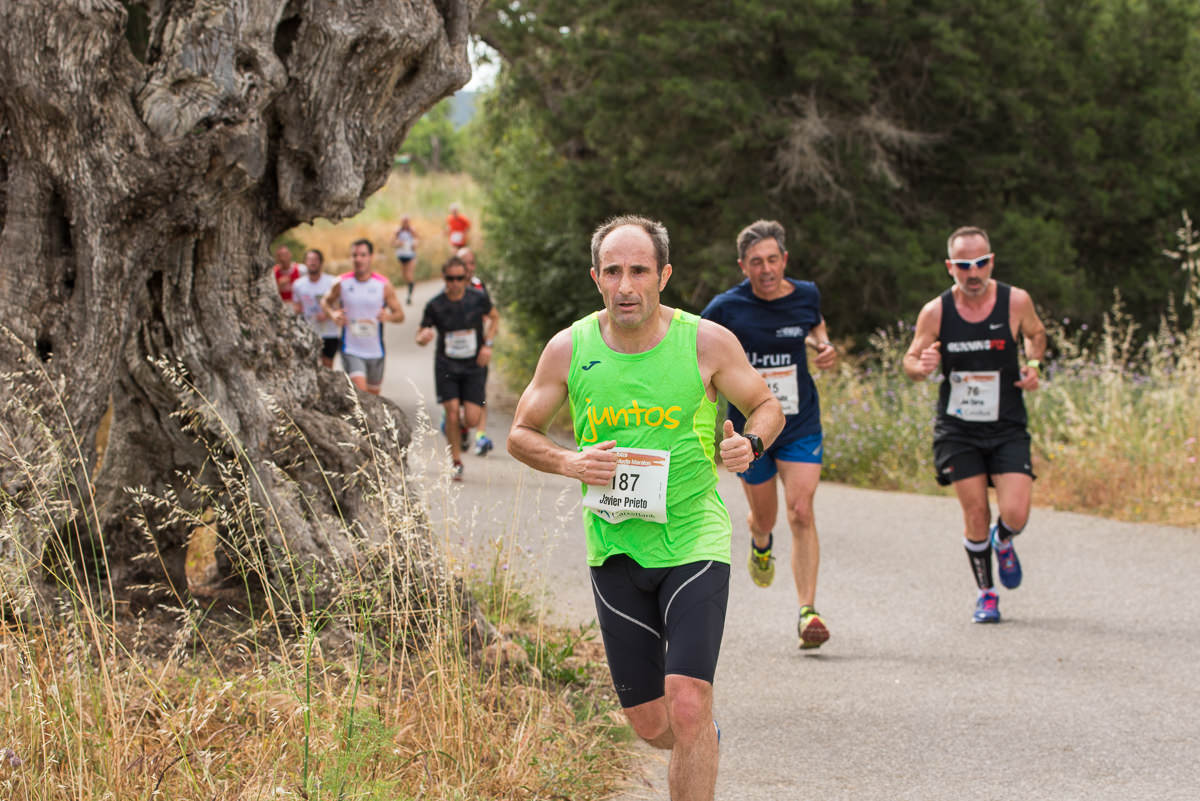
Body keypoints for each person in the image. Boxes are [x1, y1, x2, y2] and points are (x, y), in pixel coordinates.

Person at [507, 216, 784, 801]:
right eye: (613, 272)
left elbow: (765, 405)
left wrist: (751, 443)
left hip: (693, 538)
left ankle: (696, 728)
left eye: (639, 271)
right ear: (596, 278)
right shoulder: (569, 349)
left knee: (687, 702)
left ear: (664, 275)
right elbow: (521, 433)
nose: (626, 285)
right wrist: (571, 462)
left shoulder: (705, 342)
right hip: (615, 548)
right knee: (652, 722)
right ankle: (699, 737)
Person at [700, 219, 838, 649]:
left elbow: (814, 323)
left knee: (801, 510)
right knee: (766, 518)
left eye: (773, 260)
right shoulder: (725, 307)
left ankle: (807, 611)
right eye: (756, 262)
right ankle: (760, 541)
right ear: (743, 266)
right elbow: (696, 347)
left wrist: (822, 344)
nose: (766, 269)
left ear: (785, 260)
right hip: (751, 431)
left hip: (799, 423)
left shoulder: (806, 295)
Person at [902, 225, 1047, 624]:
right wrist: (921, 366)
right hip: (958, 429)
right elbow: (911, 360)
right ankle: (986, 593)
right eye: (964, 265)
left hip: (1007, 424)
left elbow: (1036, 334)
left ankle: (1004, 539)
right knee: (976, 512)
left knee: (1016, 512)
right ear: (950, 267)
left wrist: (1034, 364)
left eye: (980, 263)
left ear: (991, 262)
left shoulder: (1016, 301)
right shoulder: (936, 311)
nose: (973, 272)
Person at [416, 256, 500, 481]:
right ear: (444, 278)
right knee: (452, 411)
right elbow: (420, 333)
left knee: (472, 419)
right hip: (447, 365)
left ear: (466, 278)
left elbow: (494, 318)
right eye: (450, 278)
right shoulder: (435, 305)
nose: (455, 283)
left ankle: (461, 429)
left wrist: (488, 345)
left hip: (474, 364)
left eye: (459, 278)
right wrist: (423, 338)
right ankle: (456, 461)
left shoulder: (478, 298)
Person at [321, 239, 405, 394]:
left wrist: (388, 317)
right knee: (360, 393)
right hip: (351, 349)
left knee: (373, 398)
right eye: (355, 255)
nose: (358, 259)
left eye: (363, 255)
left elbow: (400, 315)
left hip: (376, 351)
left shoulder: (383, 285)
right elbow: (325, 301)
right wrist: (333, 314)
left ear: (371, 257)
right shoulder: (341, 282)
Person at [452, 246, 495, 456]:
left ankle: (480, 436)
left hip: (477, 350)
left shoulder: (479, 286)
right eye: (464, 263)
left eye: (471, 263)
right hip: (454, 353)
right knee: (457, 399)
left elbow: (492, 316)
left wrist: (488, 344)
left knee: (479, 393)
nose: (468, 267)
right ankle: (459, 425)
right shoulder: (450, 287)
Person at [292, 248, 341, 368]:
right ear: (305, 263)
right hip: (309, 331)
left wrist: (328, 314)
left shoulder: (332, 282)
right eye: (309, 260)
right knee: (310, 365)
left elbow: (339, 304)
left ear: (321, 262)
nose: (312, 262)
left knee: (327, 366)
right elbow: (297, 305)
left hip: (329, 332)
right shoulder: (298, 284)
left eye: (315, 260)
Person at [391, 215, 420, 305]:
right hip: (401, 255)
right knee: (405, 276)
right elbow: (392, 242)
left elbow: (417, 240)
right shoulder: (398, 231)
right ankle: (409, 290)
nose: (405, 223)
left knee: (409, 275)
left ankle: (409, 296)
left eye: (407, 221)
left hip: (410, 255)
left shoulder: (412, 230)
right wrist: (398, 243)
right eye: (404, 222)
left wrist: (414, 244)